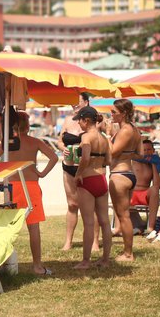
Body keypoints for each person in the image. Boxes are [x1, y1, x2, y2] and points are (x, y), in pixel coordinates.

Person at [0, 111, 58, 275]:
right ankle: (37, 266)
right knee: (33, 228)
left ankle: (3, 264)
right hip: (31, 186)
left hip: (11, 186)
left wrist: (2, 175)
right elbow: (54, 157)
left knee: (7, 228)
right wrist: (42, 173)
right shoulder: (35, 142)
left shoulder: (8, 143)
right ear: (27, 125)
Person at [72, 106, 112, 269]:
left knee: (88, 222)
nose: (78, 125)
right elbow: (109, 161)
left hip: (88, 180)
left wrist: (78, 173)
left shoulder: (86, 137)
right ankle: (105, 259)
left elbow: (85, 158)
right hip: (101, 179)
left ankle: (86, 261)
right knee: (104, 221)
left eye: (79, 121)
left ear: (86, 120)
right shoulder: (103, 138)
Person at [108, 99, 140, 261]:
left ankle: (128, 254)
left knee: (123, 216)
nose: (111, 114)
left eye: (114, 112)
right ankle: (127, 252)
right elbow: (140, 153)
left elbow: (112, 152)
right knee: (123, 215)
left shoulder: (125, 130)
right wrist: (127, 154)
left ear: (124, 113)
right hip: (129, 172)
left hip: (119, 175)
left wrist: (106, 135)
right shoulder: (134, 129)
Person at [60, 92, 92, 251]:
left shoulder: (92, 122)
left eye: (77, 102)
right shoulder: (67, 120)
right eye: (71, 102)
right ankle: (68, 241)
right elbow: (60, 140)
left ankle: (94, 242)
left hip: (86, 168)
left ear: (86, 102)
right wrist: (63, 148)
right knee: (72, 204)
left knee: (90, 206)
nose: (73, 105)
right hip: (68, 166)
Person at [131, 139, 160, 234]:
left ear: (153, 151)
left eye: (149, 149)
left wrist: (153, 165)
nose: (146, 152)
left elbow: (157, 185)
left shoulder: (154, 162)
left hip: (145, 194)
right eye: (143, 150)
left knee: (154, 190)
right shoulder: (132, 161)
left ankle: (150, 227)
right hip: (131, 193)